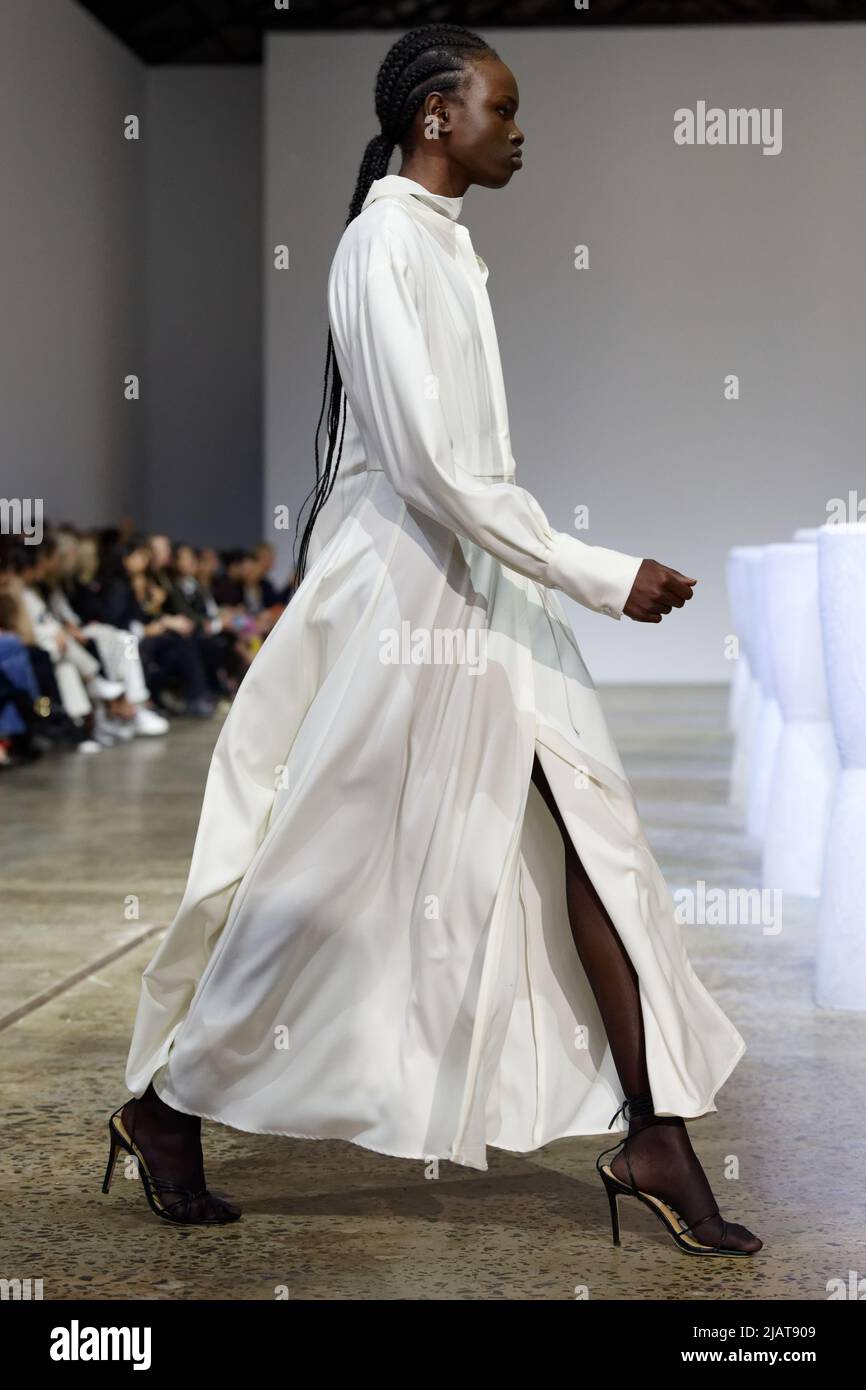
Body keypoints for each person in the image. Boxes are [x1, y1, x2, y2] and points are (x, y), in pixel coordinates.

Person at [109, 24, 761, 1253]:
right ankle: (164, 1102)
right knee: (322, 872)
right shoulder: (376, 248)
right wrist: (594, 572)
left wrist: (563, 574)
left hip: (484, 586)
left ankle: (657, 1130)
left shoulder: (442, 252)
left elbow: (465, 476)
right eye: (499, 109)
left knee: (597, 836)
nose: (518, 131)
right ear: (433, 120)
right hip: (406, 600)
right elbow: (424, 469)